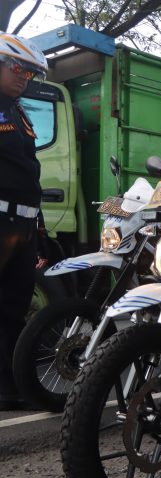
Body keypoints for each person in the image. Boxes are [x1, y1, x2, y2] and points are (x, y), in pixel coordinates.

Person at [0, 33, 48, 411]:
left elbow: (31, 172)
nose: (24, 78)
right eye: (17, 68)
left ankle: (7, 386)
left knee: (14, 307)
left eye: (30, 73)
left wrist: (40, 235)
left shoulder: (18, 111)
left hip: (24, 226)